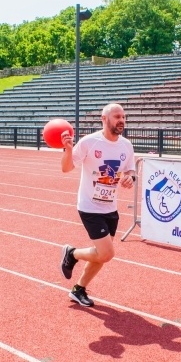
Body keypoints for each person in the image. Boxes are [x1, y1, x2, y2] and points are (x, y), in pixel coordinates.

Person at [59, 103, 136, 307]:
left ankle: (78, 289)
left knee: (101, 254)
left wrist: (130, 178)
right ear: (104, 119)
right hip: (89, 207)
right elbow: (66, 168)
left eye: (123, 117)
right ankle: (72, 253)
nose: (121, 120)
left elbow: (131, 170)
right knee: (106, 253)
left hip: (111, 207)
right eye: (117, 116)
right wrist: (67, 150)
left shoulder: (126, 145)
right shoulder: (89, 142)